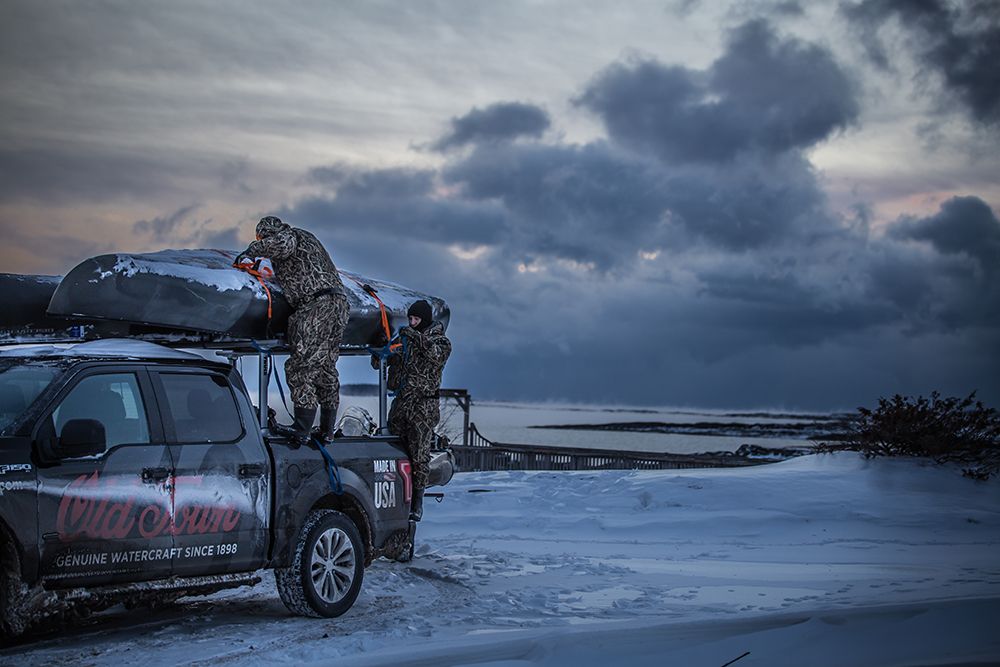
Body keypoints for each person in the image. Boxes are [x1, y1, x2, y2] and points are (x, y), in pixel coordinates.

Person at [235, 216, 349, 441]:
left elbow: (282, 243)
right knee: (325, 367)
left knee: (301, 369)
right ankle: (326, 430)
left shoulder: (289, 236)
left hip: (316, 305)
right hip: (339, 305)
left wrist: (251, 252)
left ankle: (302, 429)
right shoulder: (307, 237)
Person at [378, 300, 451, 521]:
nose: (412, 323)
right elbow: (384, 359)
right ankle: (396, 493)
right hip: (402, 404)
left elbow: (435, 355)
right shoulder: (405, 339)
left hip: (423, 406)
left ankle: (417, 502)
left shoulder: (440, 342)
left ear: (425, 319)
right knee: (391, 448)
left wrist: (414, 337)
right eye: (410, 319)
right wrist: (385, 349)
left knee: (419, 454)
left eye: (416, 319)